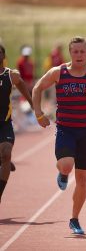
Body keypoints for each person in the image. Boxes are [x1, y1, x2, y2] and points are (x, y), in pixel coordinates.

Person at [32, 36, 86, 234]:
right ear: (70, 53)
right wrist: (39, 113)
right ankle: (62, 171)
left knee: (83, 180)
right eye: (75, 51)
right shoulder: (58, 72)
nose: (78, 55)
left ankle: (74, 219)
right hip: (66, 129)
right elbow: (37, 88)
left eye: (82, 52)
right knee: (67, 165)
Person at [0, 44, 33, 203]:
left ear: (3, 56)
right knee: (4, 158)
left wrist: (33, 103)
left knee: (6, 153)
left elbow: (20, 84)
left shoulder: (10, 75)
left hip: (4, 123)